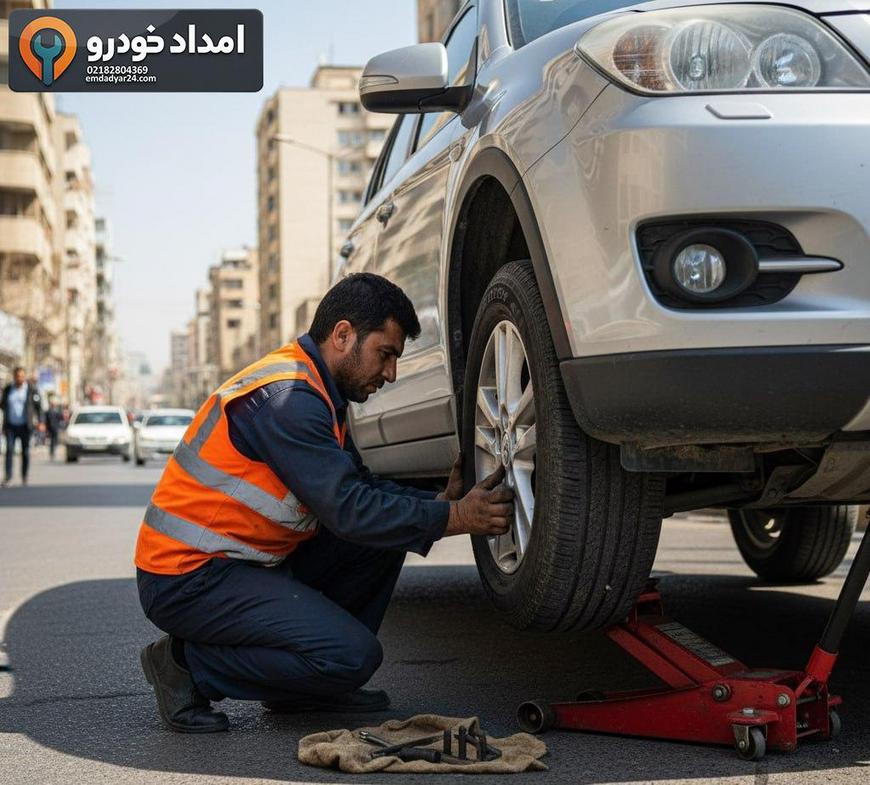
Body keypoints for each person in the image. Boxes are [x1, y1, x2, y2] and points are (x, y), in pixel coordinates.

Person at [135, 274, 514, 733]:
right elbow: (349, 509)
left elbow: (359, 489)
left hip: (243, 562)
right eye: (386, 354)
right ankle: (185, 666)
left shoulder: (318, 391)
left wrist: (437, 501)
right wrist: (455, 517)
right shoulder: (288, 399)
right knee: (355, 656)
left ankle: (309, 687)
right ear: (342, 335)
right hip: (188, 577)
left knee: (383, 537)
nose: (390, 373)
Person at [1, 367, 43, 487]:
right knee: (9, 451)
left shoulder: (31, 390)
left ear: (24, 377)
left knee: (25, 452)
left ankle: (24, 476)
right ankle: (8, 477)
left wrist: (41, 422)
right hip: (10, 426)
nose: (19, 378)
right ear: (14, 377)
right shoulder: (8, 389)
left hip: (25, 426)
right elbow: (3, 405)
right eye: (17, 376)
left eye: (21, 376)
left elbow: (39, 407)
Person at [44, 395, 66, 460]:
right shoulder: (50, 411)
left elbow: (61, 417)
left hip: (53, 427)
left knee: (53, 440)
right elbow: (46, 420)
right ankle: (52, 451)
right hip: (52, 428)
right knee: (53, 440)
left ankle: (52, 451)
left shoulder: (53, 411)